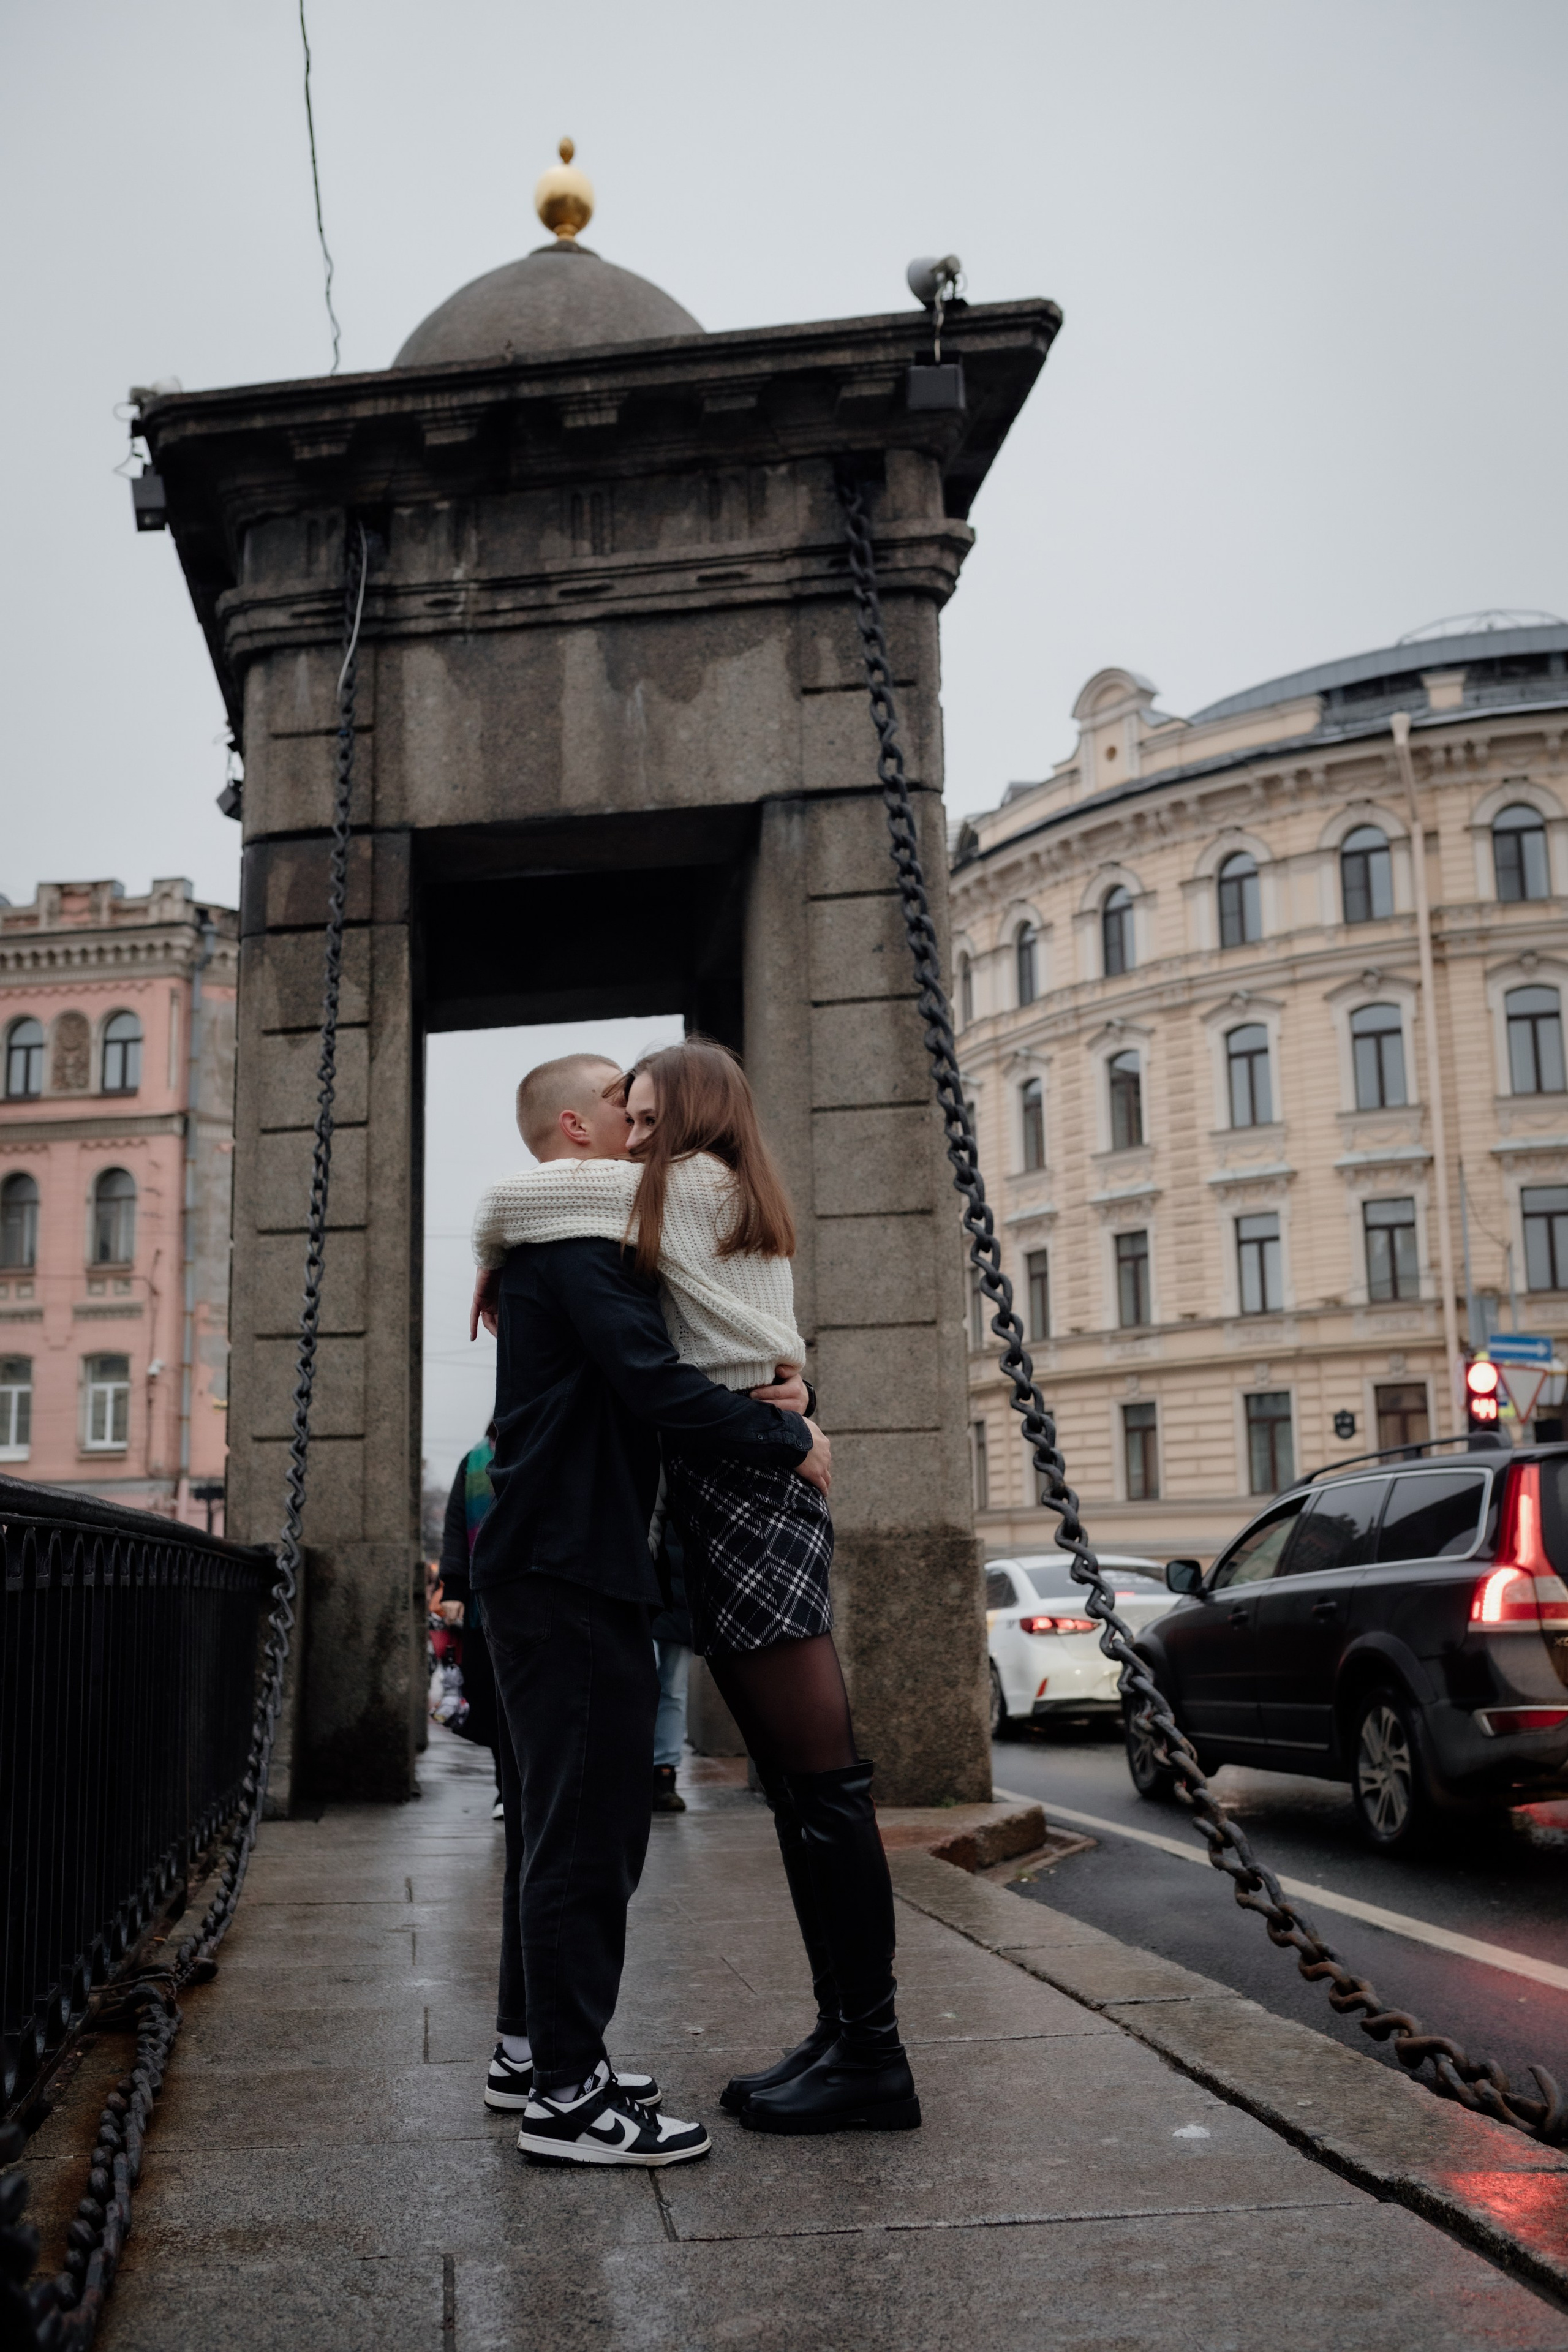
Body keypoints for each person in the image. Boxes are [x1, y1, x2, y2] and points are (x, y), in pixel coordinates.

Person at [473, 1037, 921, 2138]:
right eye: (622, 1113)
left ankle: (869, 2050)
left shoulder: (684, 1188)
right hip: (713, 1494)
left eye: (647, 1115)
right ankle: (842, 2036)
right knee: (796, 1792)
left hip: (748, 1492)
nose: (633, 1136)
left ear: (690, 1120)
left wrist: (496, 1246)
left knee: (820, 1786)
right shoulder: (680, 1205)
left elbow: (527, 1201)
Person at [437, 1427, 503, 1814]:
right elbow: (456, 1527)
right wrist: (454, 1589)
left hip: (538, 1592)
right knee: (491, 1697)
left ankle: (528, 1792)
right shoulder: (474, 1462)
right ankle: (507, 1789)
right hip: (484, 1603)